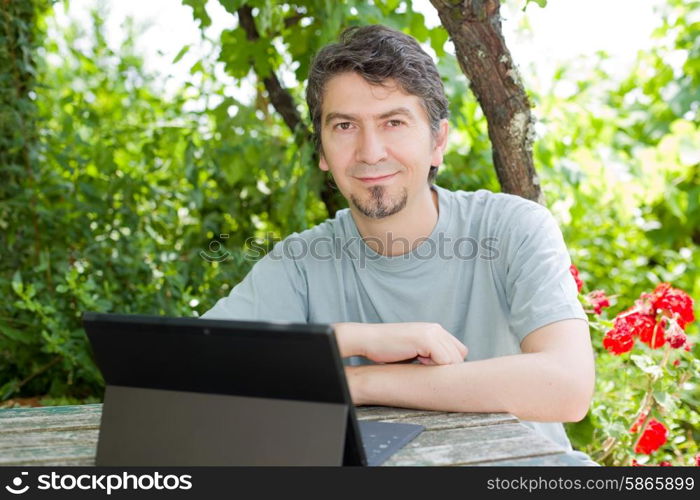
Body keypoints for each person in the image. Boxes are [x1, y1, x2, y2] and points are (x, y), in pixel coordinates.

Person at [202, 25, 596, 464]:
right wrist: (352, 340)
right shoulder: (301, 263)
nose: (370, 152)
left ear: (438, 141)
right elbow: (189, 368)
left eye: (393, 122)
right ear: (322, 151)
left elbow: (568, 385)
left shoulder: (512, 228)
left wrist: (364, 381)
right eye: (346, 125)